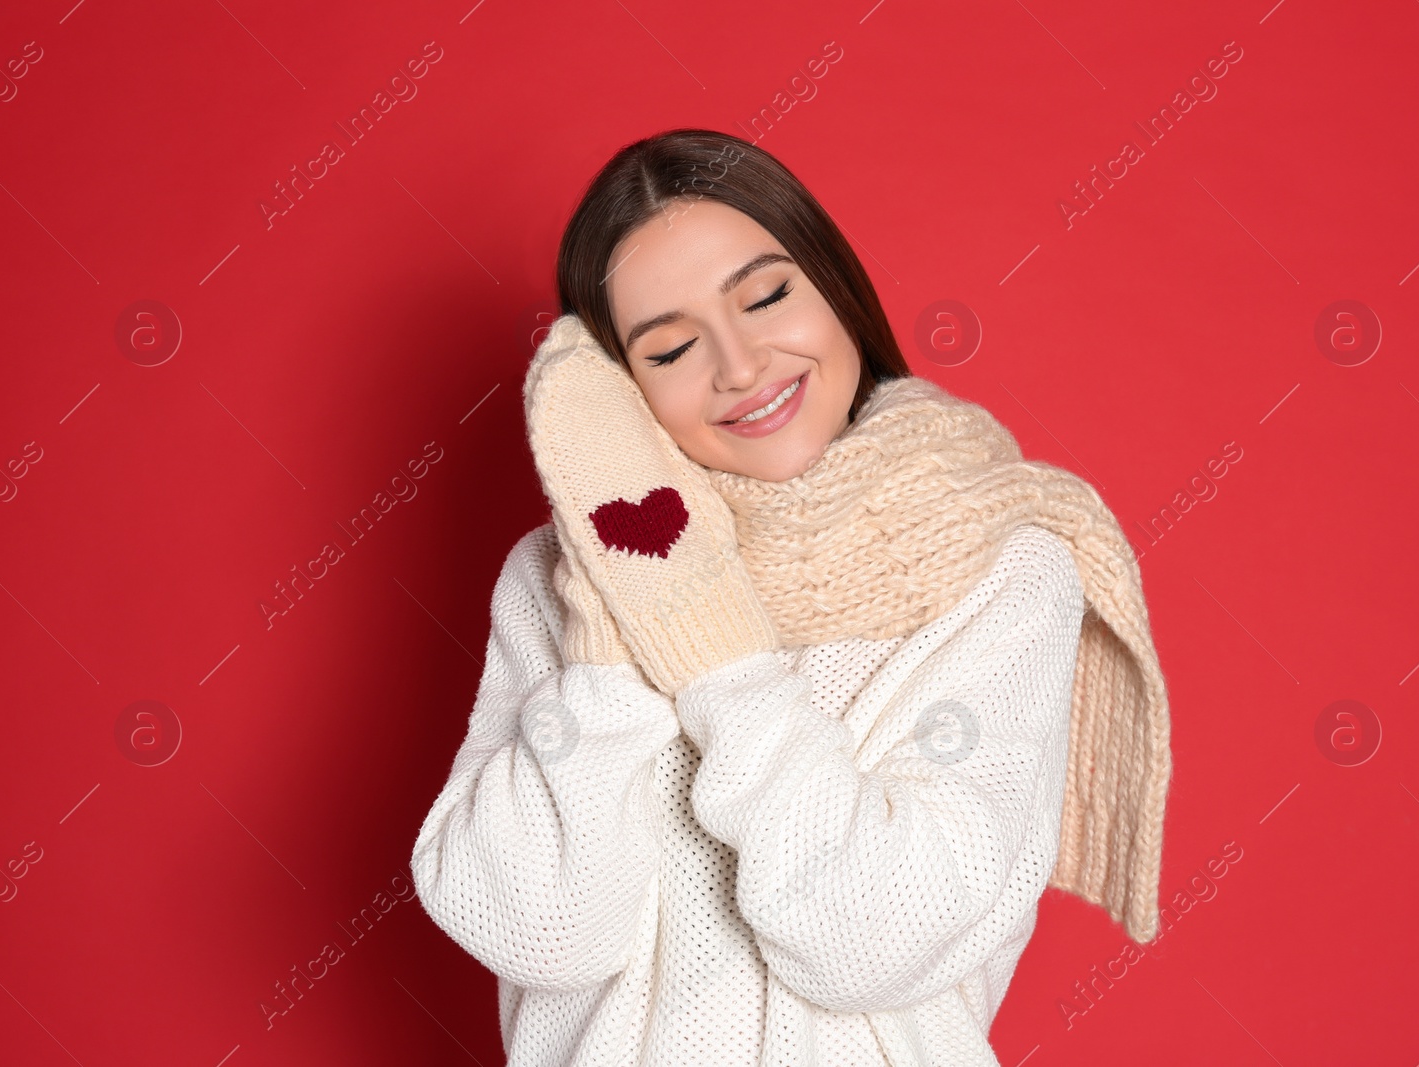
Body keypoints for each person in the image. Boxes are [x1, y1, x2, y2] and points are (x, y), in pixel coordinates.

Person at [411, 128, 1172, 1067]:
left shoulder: (1006, 562)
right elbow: (537, 928)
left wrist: (713, 651)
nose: (740, 365)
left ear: (835, 287)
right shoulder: (566, 580)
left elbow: (876, 935)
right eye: (671, 348)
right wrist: (614, 631)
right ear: (617, 392)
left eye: (768, 296)